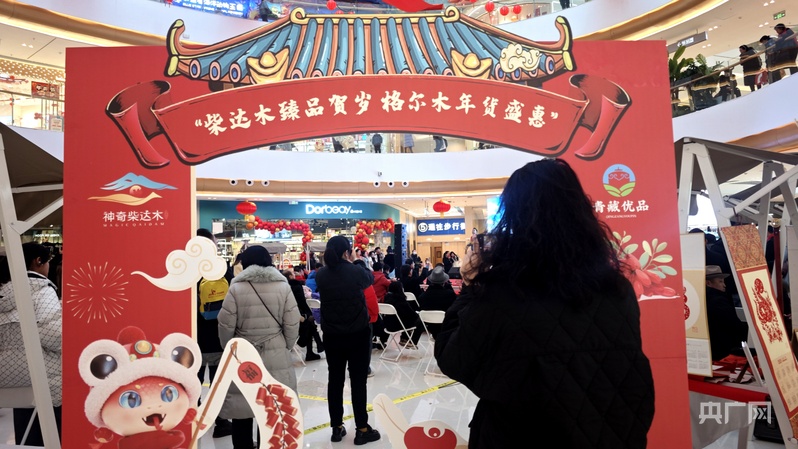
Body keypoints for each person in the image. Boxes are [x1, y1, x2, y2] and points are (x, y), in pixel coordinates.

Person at [434, 159, 655, 448]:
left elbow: (453, 358)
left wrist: (470, 286)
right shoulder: (617, 288)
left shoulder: (503, 291)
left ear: (515, 217)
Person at [217, 245, 300, 449]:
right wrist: (285, 345)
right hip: (276, 351)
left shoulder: (236, 288)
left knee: (242, 410)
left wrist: (230, 347)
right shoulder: (283, 287)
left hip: (243, 355)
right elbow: (292, 322)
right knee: (271, 410)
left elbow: (225, 324)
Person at [315, 236, 381, 444]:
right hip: (358, 334)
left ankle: (336, 427)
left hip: (332, 335)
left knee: (335, 380)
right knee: (358, 381)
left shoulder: (321, 274)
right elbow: (369, 279)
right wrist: (356, 261)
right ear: (347, 252)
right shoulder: (356, 271)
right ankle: (362, 428)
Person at [0, 244, 62, 445]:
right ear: (38, 261)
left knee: (26, 435)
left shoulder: (5, 292)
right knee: (51, 436)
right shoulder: (42, 291)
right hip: (46, 378)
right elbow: (54, 335)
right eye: (48, 261)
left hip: (13, 377)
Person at [195, 229, 234, 437]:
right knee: (219, 384)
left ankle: (193, 420)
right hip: (219, 335)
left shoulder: (187, 270)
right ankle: (221, 422)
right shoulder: (222, 269)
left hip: (195, 338)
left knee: (194, 382)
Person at [705, 265, 749, 361]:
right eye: (720, 281)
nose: (724, 285)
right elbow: (734, 325)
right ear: (708, 283)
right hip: (723, 350)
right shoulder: (718, 301)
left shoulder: (701, 299)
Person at [283, 270, 324, 361]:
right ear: (290, 276)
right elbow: (301, 301)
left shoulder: (285, 287)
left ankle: (315, 348)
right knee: (310, 323)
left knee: (310, 325)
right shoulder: (297, 286)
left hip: (291, 315)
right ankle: (316, 346)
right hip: (300, 315)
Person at [353, 259, 380, 377]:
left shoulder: (348, 282)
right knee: (365, 345)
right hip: (365, 318)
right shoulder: (366, 283)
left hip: (350, 318)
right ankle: (365, 368)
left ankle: (352, 367)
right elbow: (372, 302)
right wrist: (374, 316)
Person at [418, 266, 456, 339]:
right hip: (446, 327)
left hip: (430, 326)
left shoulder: (423, 296)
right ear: (444, 282)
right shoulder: (450, 294)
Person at [383, 281, 422, 346]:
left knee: (405, 319)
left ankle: (404, 339)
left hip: (387, 325)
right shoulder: (401, 301)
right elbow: (412, 315)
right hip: (398, 325)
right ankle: (412, 341)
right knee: (420, 321)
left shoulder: (386, 298)